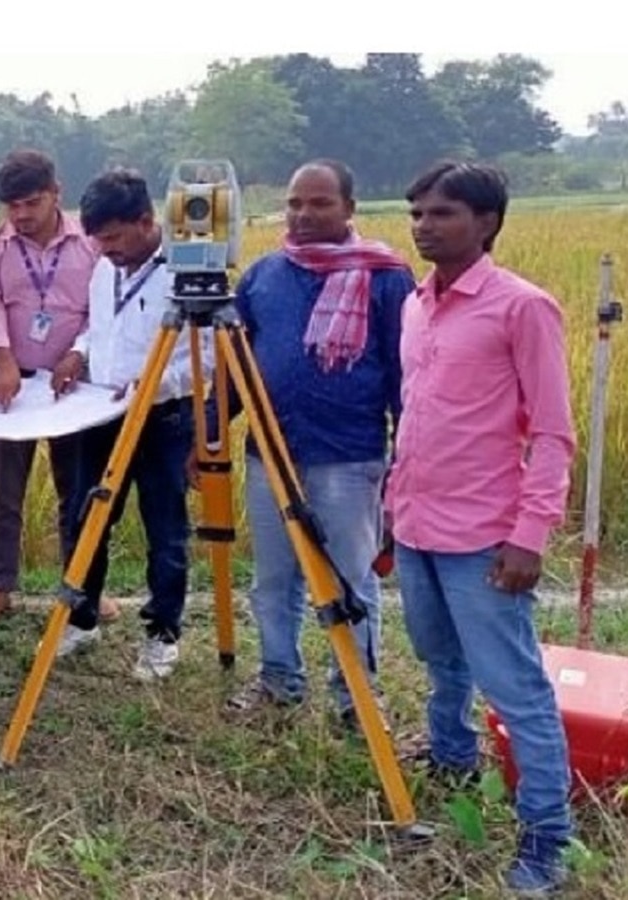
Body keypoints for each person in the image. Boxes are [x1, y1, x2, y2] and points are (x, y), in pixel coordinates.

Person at [387, 161, 576, 895]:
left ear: (488, 222)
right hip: (416, 523)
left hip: (483, 536)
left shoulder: (521, 308)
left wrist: (530, 533)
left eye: (442, 214)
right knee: (440, 660)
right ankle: (452, 760)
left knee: (516, 688)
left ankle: (546, 840)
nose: (424, 226)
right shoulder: (416, 304)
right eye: (417, 214)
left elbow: (553, 433)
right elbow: (416, 418)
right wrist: (390, 512)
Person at [205, 160, 414, 728]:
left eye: (319, 203)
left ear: (349, 209)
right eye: (296, 203)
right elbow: (236, 370)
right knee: (274, 580)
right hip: (270, 456)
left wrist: (405, 463)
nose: (303, 214)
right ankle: (278, 679)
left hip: (350, 457)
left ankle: (355, 697)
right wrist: (210, 427)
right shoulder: (264, 276)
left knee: (350, 581)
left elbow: (405, 376)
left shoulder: (388, 278)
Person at [54, 168, 208, 680]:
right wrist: (78, 354)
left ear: (146, 221)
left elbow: (208, 359)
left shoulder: (187, 271)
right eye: (98, 240)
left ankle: (162, 633)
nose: (107, 250)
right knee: (87, 517)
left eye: (115, 238)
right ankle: (81, 618)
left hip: (164, 419)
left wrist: (154, 386)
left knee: (165, 529)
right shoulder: (105, 269)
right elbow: (100, 330)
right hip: (102, 414)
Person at [0, 149, 119, 627]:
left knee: (78, 490)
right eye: (12, 206)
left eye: (32, 202)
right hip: (11, 387)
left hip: (74, 387)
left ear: (57, 193)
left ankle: (82, 584)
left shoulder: (92, 243)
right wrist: (2, 359)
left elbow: (105, 309)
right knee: (3, 492)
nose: (22, 215)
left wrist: (79, 352)